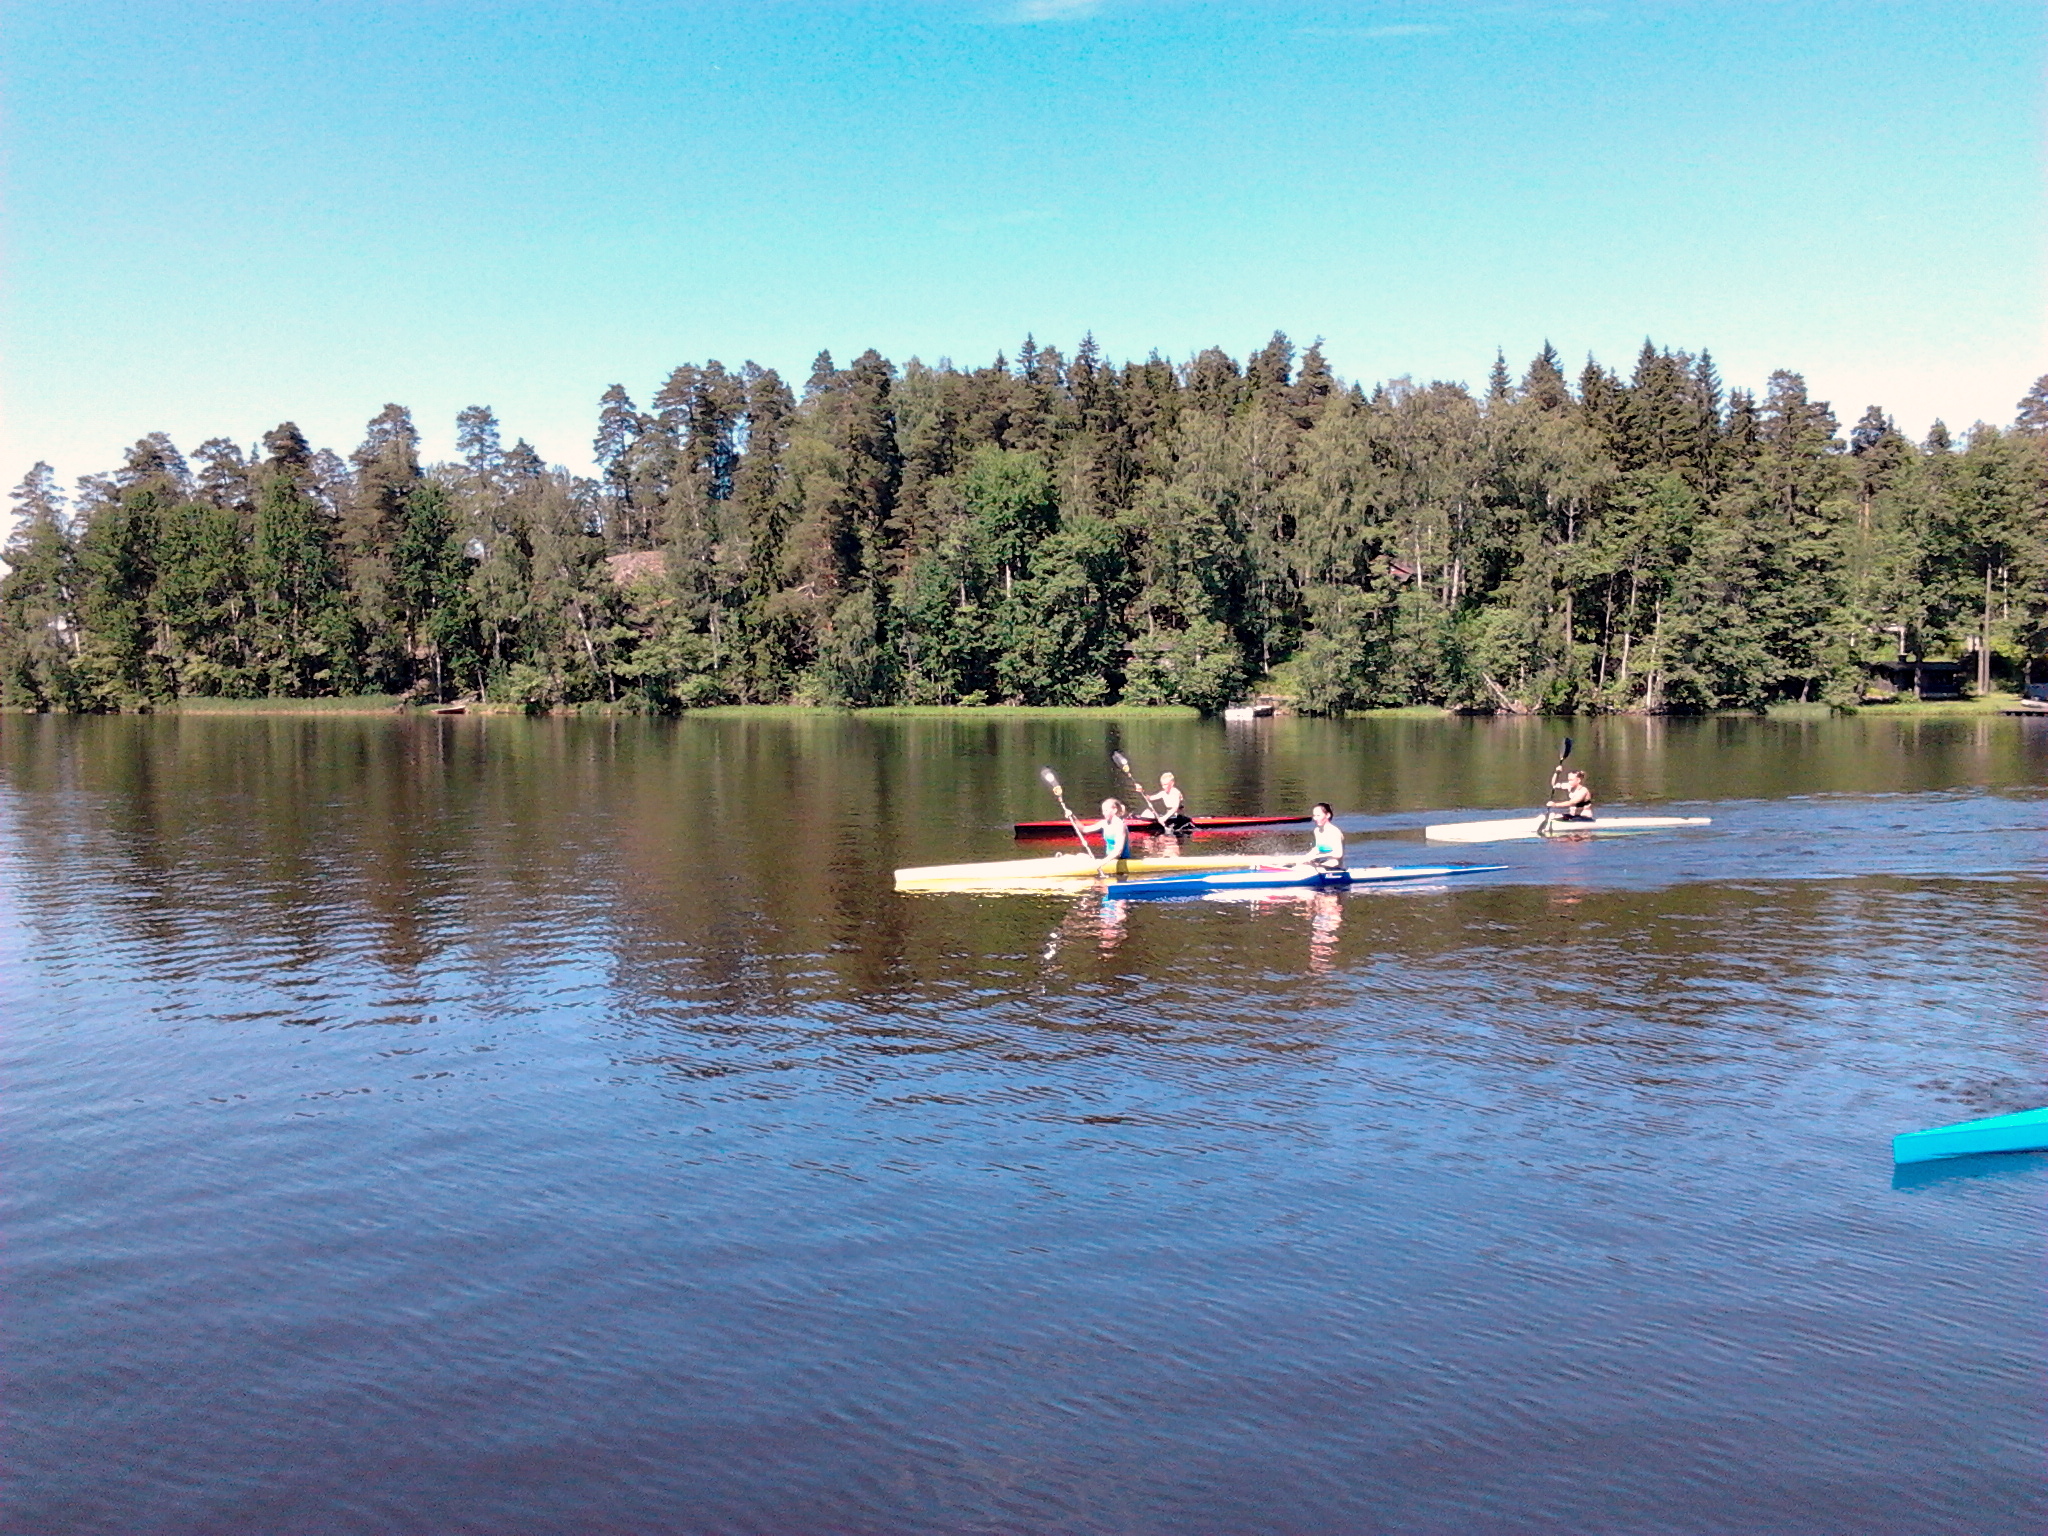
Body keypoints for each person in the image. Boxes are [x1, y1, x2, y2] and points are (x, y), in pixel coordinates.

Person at [1299, 802, 1344, 871]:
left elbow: (1338, 854)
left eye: (1318, 815)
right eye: (1314, 816)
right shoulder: (1317, 831)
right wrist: (1306, 858)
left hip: (1335, 867)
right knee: (1300, 865)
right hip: (1321, 864)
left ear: (1327, 815)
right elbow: (1317, 849)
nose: (1315, 818)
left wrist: (1317, 856)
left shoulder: (1334, 831)